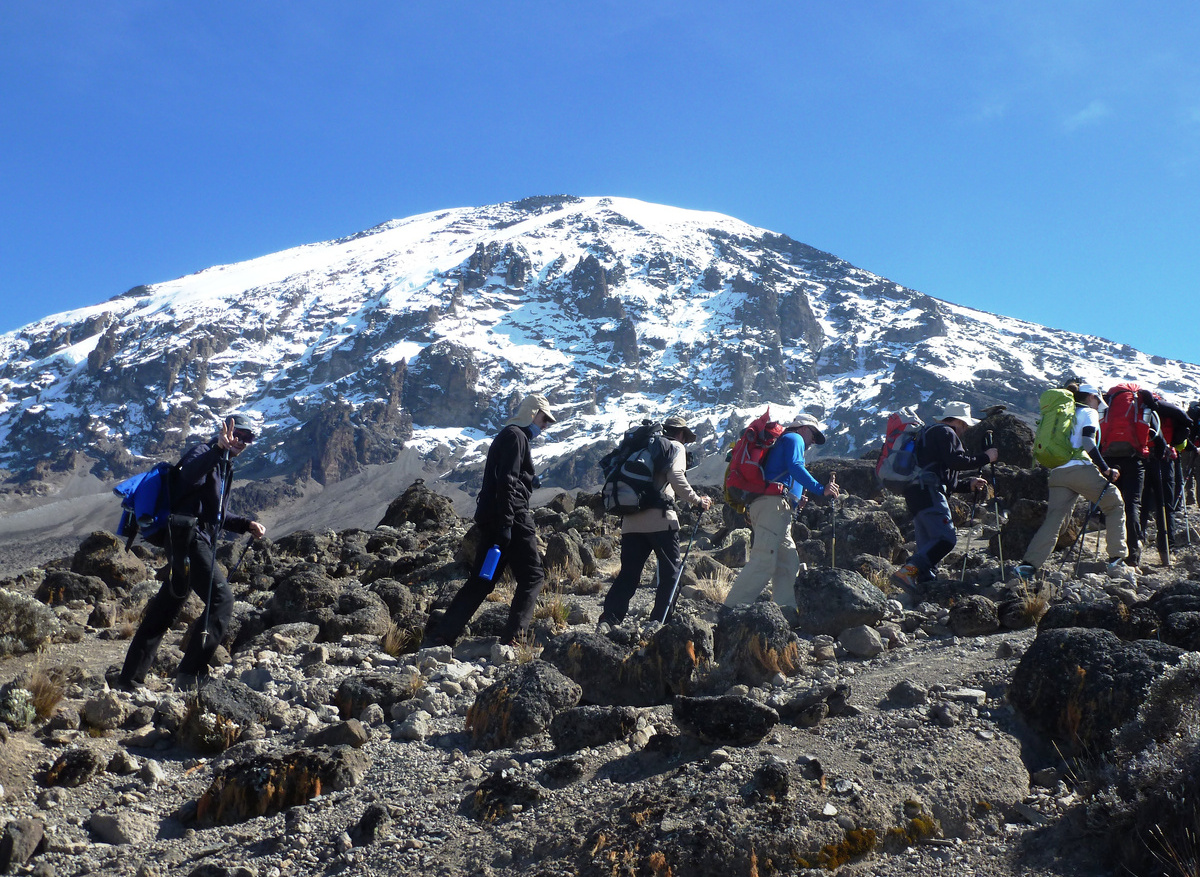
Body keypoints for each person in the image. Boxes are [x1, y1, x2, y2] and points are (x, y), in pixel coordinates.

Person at [118, 414, 267, 691]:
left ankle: (128, 678)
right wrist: (218, 448)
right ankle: (190, 673)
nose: (242, 442)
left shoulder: (224, 464)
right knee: (221, 600)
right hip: (188, 538)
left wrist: (246, 524)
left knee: (167, 606)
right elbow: (188, 475)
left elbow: (215, 513)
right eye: (239, 435)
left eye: (249, 438)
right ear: (225, 431)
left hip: (190, 538)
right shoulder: (204, 452)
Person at [425, 393, 556, 647]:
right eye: (544, 418)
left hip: (494, 517)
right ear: (532, 413)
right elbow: (507, 482)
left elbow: (508, 477)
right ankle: (514, 639)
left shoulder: (510, 436)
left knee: (482, 581)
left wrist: (529, 479)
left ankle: (442, 635)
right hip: (513, 517)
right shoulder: (517, 436)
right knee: (532, 576)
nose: (545, 425)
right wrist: (508, 525)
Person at [598, 415, 712, 626]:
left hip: (631, 520)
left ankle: (610, 619)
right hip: (661, 521)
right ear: (680, 433)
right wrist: (698, 500)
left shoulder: (642, 448)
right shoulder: (675, 446)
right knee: (670, 574)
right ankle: (659, 623)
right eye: (685, 437)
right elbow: (677, 476)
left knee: (628, 574)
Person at [723, 412, 839, 610]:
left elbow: (782, 475)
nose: (812, 441)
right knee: (763, 560)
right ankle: (730, 610)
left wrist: (794, 502)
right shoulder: (794, 438)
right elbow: (795, 467)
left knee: (788, 561)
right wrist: (821, 489)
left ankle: (787, 611)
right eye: (813, 435)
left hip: (772, 506)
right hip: (772, 506)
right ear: (803, 428)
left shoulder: (784, 441)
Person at [1014, 384, 1127, 579]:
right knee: (1114, 503)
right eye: (1097, 401)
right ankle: (1117, 559)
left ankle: (1028, 566)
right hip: (1079, 468)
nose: (1098, 405)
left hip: (1058, 472)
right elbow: (1088, 441)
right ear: (1091, 397)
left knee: (1055, 520)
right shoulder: (1088, 413)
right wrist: (1105, 468)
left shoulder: (1063, 411)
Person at [892, 402, 997, 590]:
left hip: (915, 493)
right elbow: (956, 461)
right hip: (930, 492)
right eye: (965, 425)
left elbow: (946, 478)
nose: (965, 430)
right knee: (945, 539)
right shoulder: (946, 432)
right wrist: (986, 457)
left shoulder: (929, 434)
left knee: (929, 543)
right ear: (959, 421)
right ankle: (908, 571)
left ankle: (925, 585)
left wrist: (968, 485)